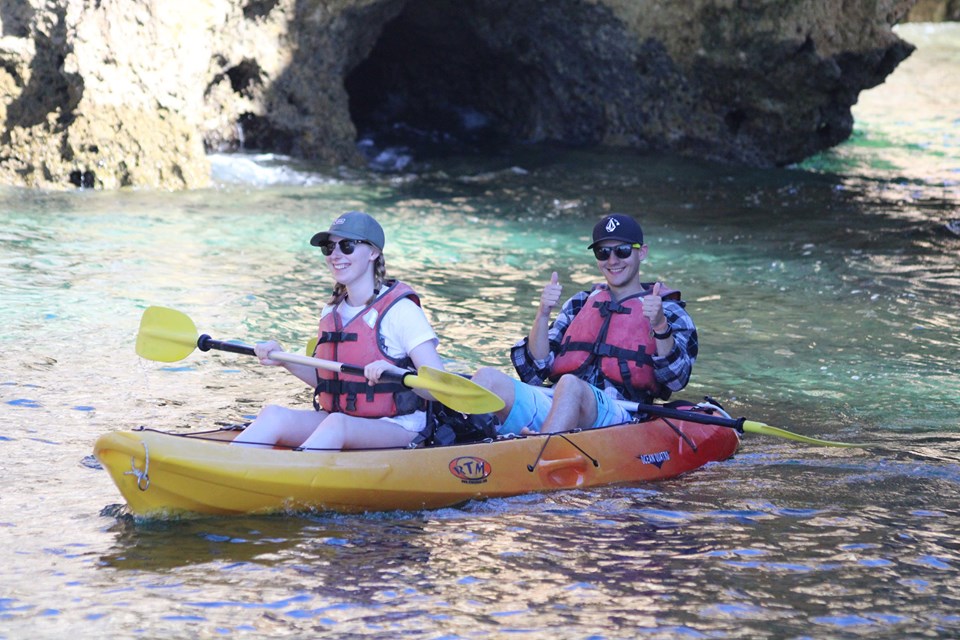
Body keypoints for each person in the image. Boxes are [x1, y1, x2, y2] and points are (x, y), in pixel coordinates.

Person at [233, 210, 444, 450]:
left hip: (398, 427)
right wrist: (284, 359)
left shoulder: (401, 311)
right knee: (273, 415)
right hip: (342, 420)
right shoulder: (331, 311)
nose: (335, 255)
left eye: (347, 246)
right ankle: (227, 468)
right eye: (329, 248)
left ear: (373, 252)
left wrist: (394, 372)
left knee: (337, 424)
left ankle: (287, 476)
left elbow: (436, 389)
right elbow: (329, 381)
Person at [472, 213, 697, 434]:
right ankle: (465, 451)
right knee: (486, 378)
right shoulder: (580, 302)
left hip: (621, 415)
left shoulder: (668, 311)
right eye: (603, 252)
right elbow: (535, 370)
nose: (613, 260)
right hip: (558, 404)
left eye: (622, 250)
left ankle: (537, 452)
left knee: (570, 385)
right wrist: (542, 313)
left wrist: (659, 326)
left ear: (642, 252)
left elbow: (676, 380)